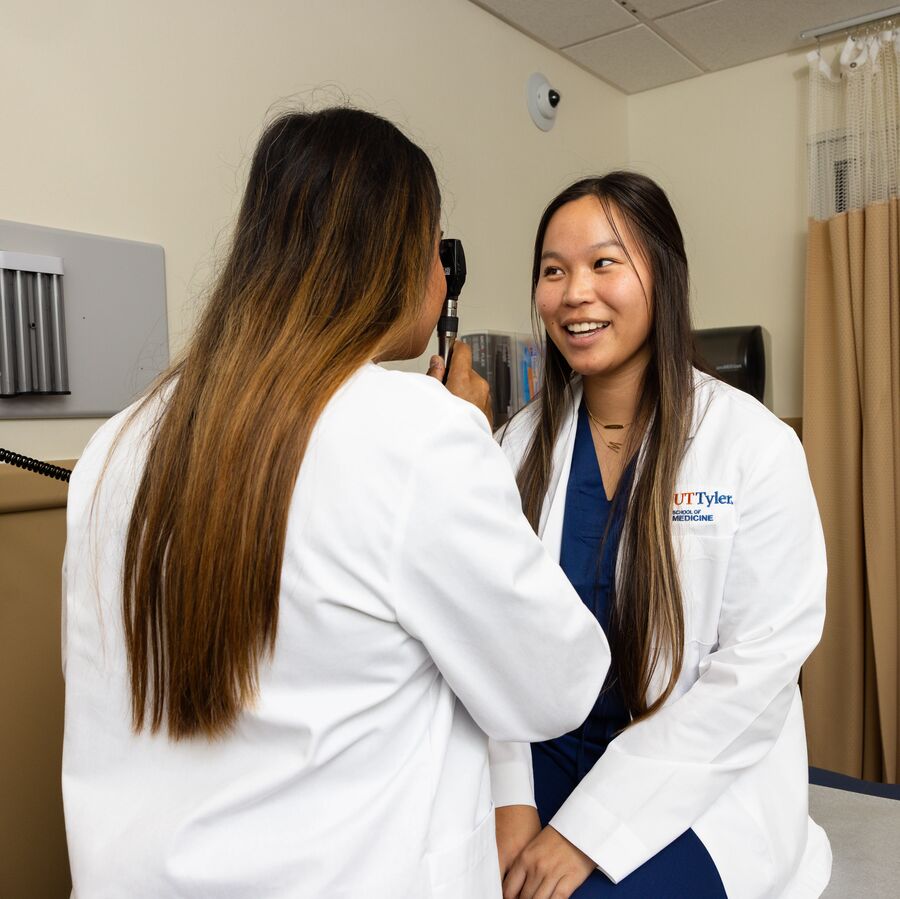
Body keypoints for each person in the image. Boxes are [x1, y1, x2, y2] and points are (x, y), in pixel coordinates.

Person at [61, 108, 611, 898]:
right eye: (436, 251)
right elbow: (557, 684)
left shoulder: (117, 444)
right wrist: (466, 436)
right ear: (400, 264)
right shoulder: (420, 434)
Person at [491, 173, 831, 899]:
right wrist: (509, 801)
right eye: (554, 270)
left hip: (695, 775)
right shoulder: (514, 447)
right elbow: (488, 643)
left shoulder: (752, 447)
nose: (574, 292)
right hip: (540, 756)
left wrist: (587, 828)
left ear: (663, 275)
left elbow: (757, 671)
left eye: (603, 263)